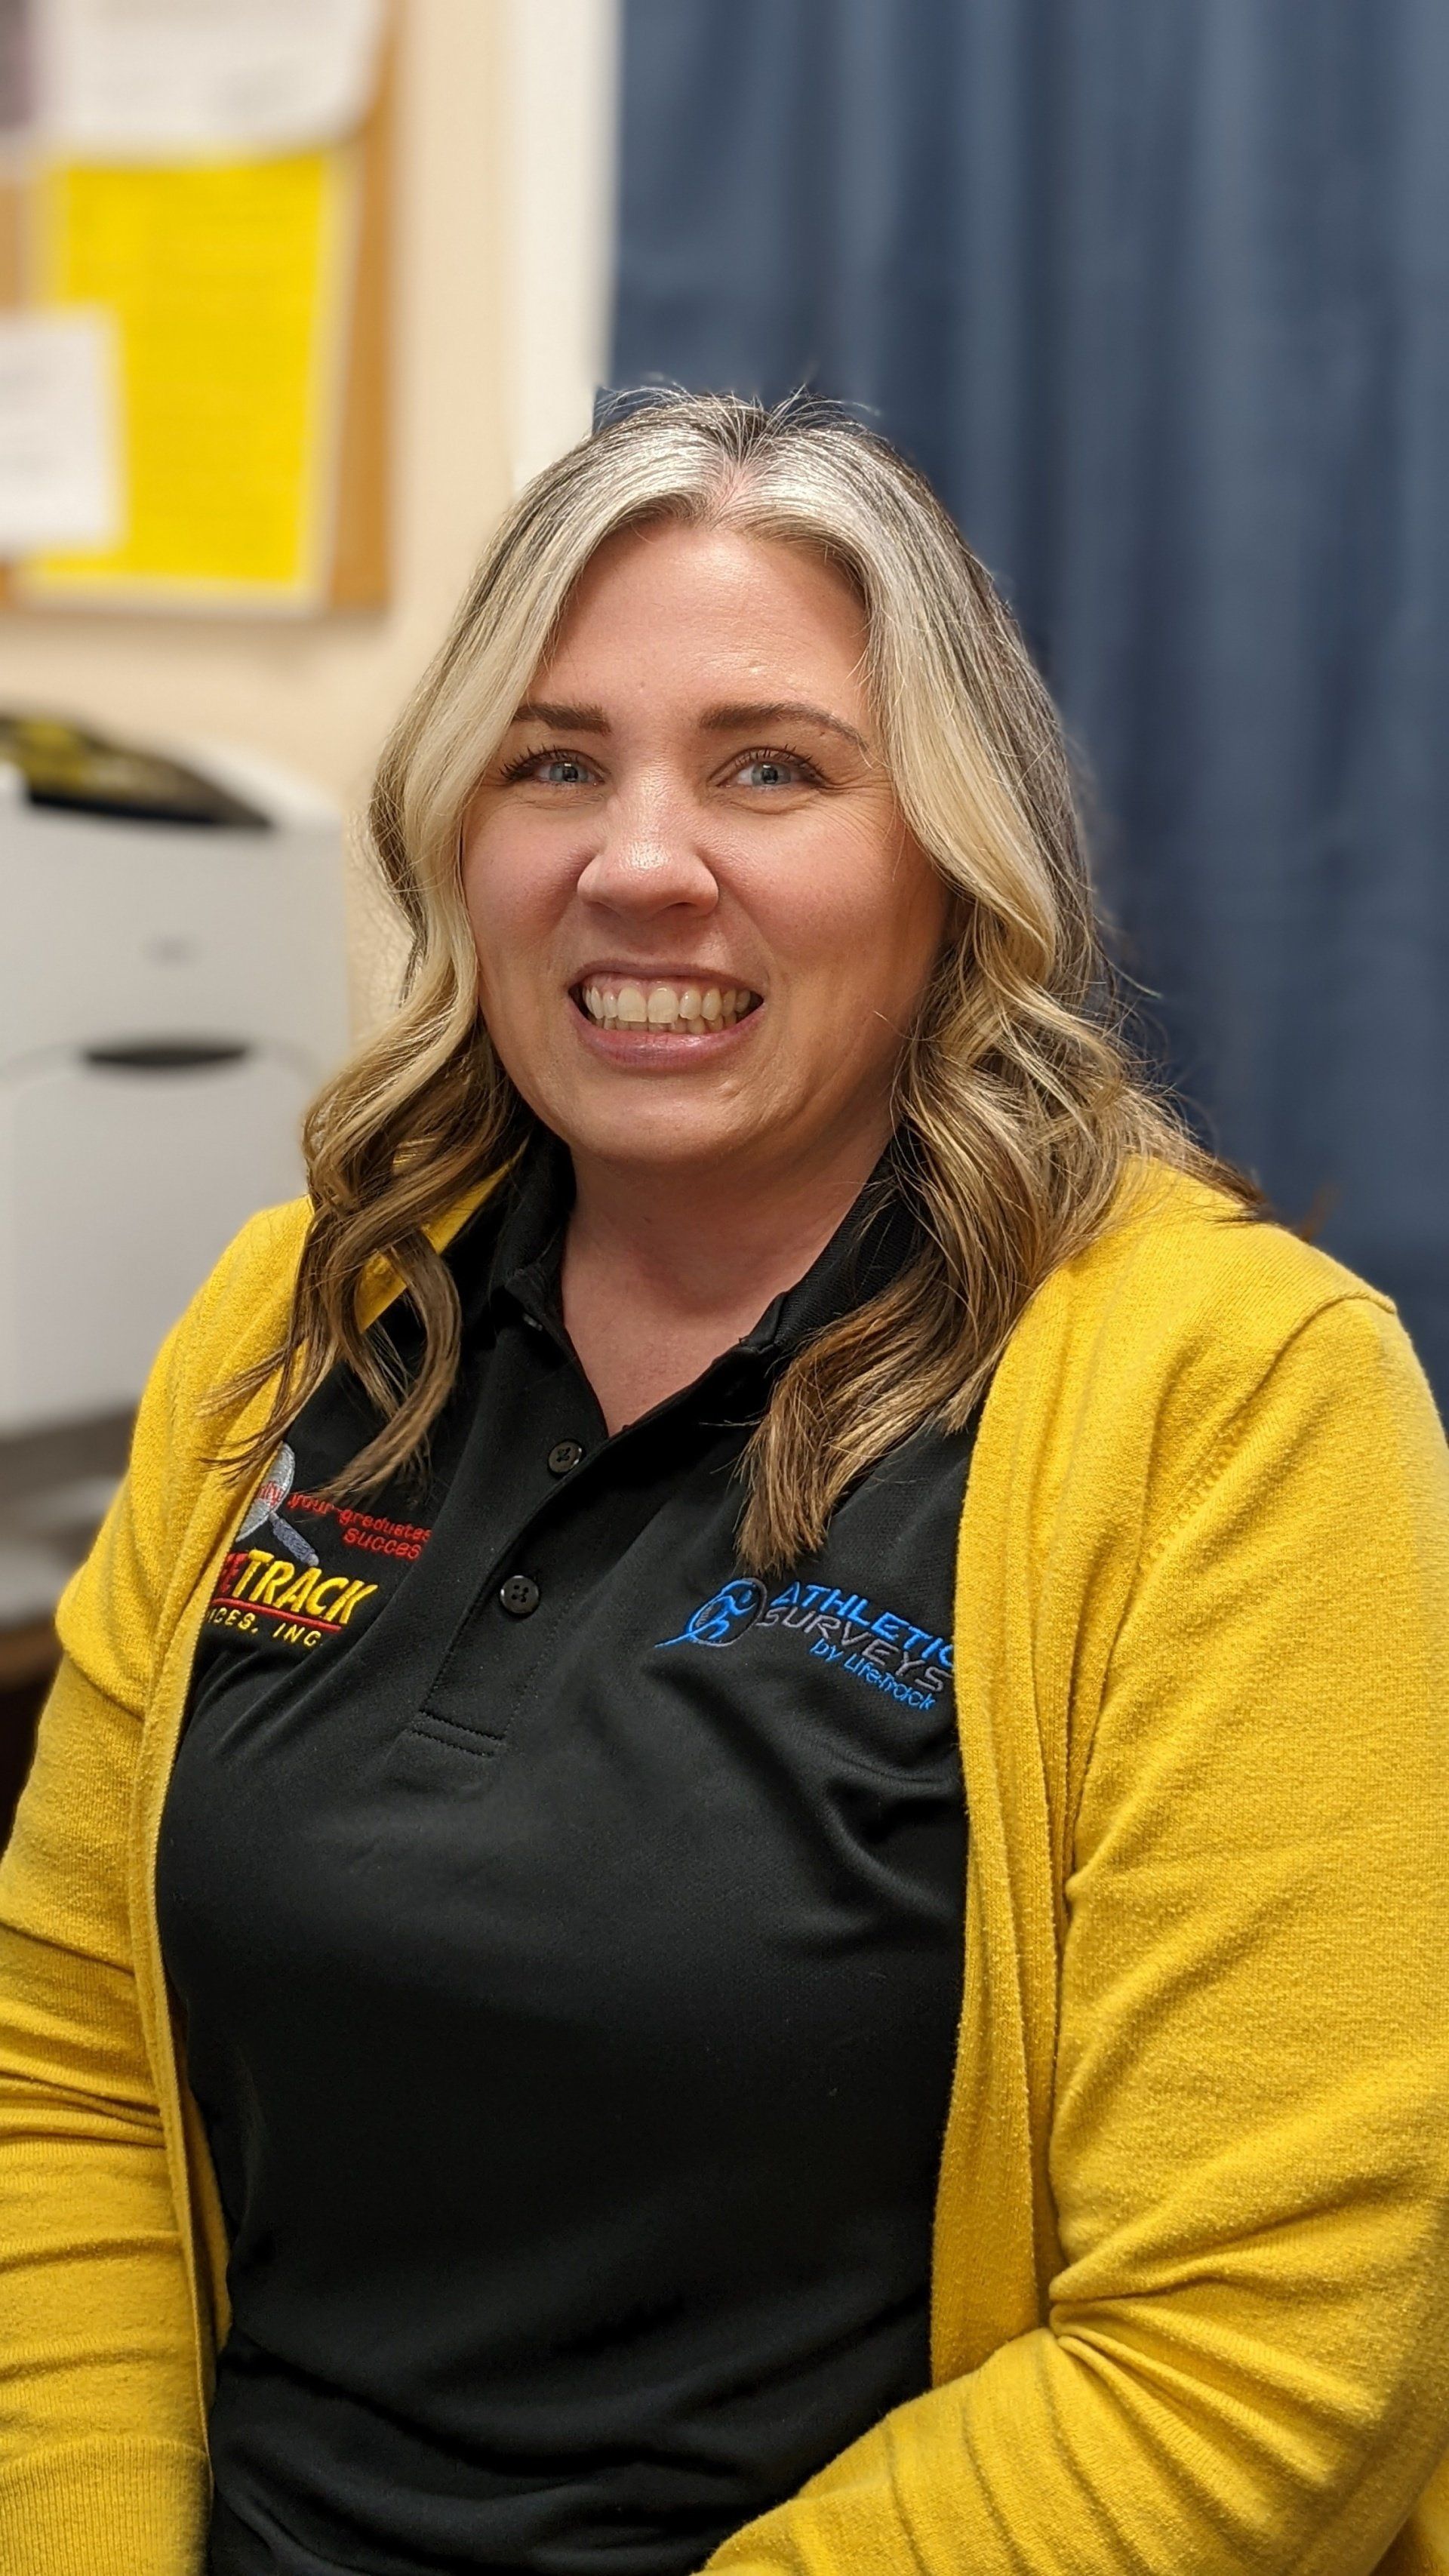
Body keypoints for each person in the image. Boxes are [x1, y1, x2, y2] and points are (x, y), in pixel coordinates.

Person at [2, 391, 1447, 2576]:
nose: (638, 859)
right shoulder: (298, 1320)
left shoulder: (1231, 1398)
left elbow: (1262, 2352)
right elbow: (71, 2066)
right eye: (554, 762)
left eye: (771, 767)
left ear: (951, 861)